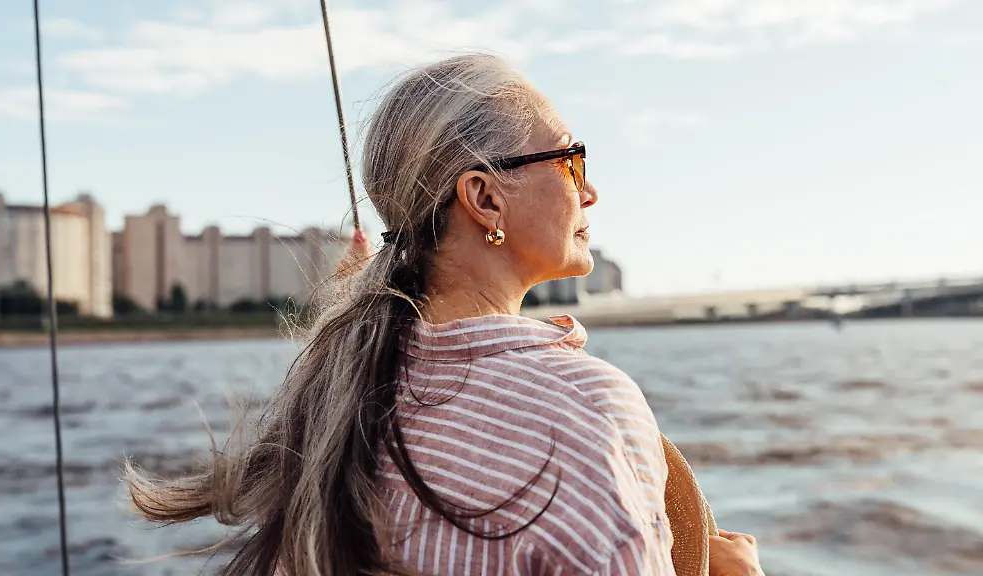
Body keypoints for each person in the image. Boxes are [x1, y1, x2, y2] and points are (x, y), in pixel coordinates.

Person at [125, 53, 764, 576]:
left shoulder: (334, 405)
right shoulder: (585, 407)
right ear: (485, 198)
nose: (589, 189)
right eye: (570, 160)